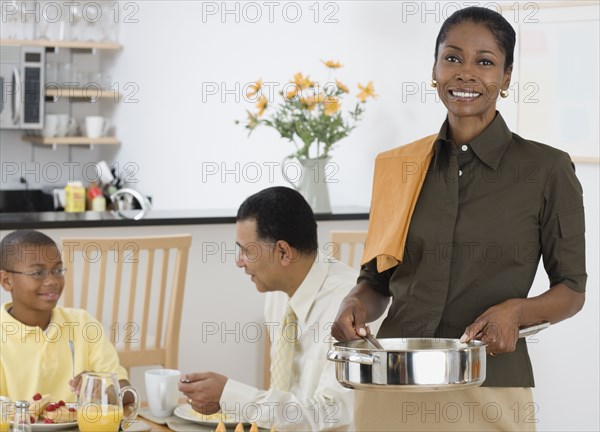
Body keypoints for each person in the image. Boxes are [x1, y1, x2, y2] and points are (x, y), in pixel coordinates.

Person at [331, 6, 586, 431]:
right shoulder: (398, 166)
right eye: (452, 58)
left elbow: (571, 291)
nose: (466, 73)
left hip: (489, 389)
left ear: (505, 79)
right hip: (392, 383)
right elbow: (377, 282)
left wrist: (517, 312)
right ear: (434, 70)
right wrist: (353, 303)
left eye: (485, 62)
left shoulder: (547, 170)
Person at [179, 186, 356, 431]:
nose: (238, 261)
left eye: (246, 251)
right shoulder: (279, 293)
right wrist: (227, 400)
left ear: (283, 252)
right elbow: (285, 395)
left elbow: (332, 414)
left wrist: (231, 396)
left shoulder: (350, 309)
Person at [0, 230, 133, 403]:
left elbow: (127, 392)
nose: (52, 281)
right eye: (38, 273)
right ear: (6, 281)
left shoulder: (82, 323)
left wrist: (105, 393)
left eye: (57, 270)